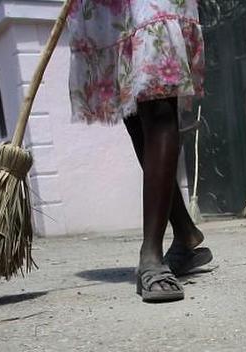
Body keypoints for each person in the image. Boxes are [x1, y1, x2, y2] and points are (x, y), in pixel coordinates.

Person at [68, 0, 211, 303]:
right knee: (134, 115)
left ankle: (151, 254)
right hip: (110, 10)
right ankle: (185, 232)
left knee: (158, 98)